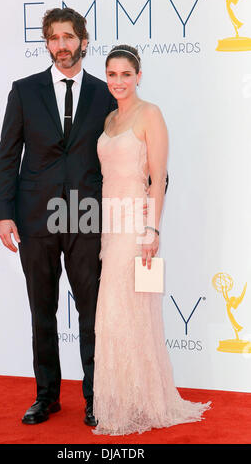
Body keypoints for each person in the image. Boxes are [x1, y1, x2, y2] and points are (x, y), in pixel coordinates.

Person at [0, 7, 117, 426]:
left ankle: (95, 397)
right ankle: (46, 395)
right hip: (36, 213)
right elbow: (8, 156)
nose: (61, 46)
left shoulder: (105, 94)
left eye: (68, 37)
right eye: (53, 38)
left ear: (83, 40)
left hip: (86, 213)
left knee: (91, 311)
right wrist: (4, 214)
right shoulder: (24, 91)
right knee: (41, 309)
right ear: (46, 44)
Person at [92, 45, 211, 436]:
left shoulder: (150, 114)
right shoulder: (109, 119)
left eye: (126, 74)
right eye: (112, 75)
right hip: (110, 226)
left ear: (138, 76)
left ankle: (144, 401)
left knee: (132, 311)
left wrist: (152, 229)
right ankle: (123, 400)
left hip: (136, 226)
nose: (118, 81)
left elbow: (157, 177)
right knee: (113, 314)